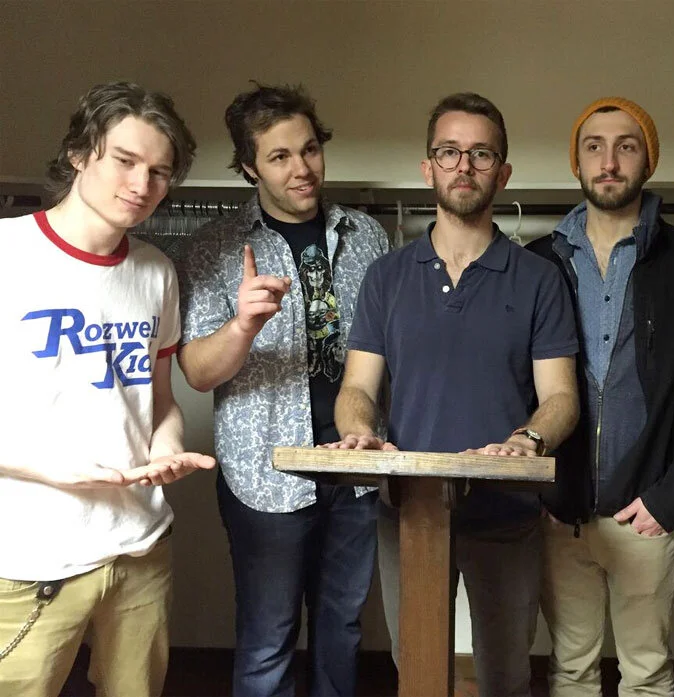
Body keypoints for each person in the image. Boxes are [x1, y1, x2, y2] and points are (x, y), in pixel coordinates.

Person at [330, 92, 579, 697]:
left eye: (481, 154)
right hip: (409, 511)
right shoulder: (386, 277)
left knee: (506, 677)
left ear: (503, 172)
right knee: (416, 671)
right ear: (428, 168)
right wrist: (358, 433)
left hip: (506, 511)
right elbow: (357, 387)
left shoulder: (539, 278)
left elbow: (562, 396)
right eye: (449, 152)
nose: (464, 166)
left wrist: (528, 439)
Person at [0, 81, 214, 697]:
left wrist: (165, 448)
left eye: (160, 172)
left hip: (140, 549)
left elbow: (161, 400)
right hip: (27, 557)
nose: (141, 185)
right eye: (125, 160)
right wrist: (50, 469)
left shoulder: (156, 270)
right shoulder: (9, 253)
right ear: (78, 153)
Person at [177, 83, 389, 697]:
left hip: (356, 466)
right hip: (264, 474)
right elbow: (198, 372)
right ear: (249, 167)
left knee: (341, 630)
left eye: (310, 149)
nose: (302, 168)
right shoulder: (213, 247)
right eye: (279, 156)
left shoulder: (367, 236)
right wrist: (242, 326)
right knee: (268, 639)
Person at [526, 98, 674, 697]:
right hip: (558, 508)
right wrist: (538, 487)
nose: (609, 162)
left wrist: (672, 498)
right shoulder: (537, 262)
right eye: (593, 146)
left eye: (626, 146)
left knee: (646, 672)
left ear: (649, 160)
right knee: (570, 668)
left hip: (647, 510)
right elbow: (514, 384)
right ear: (576, 162)